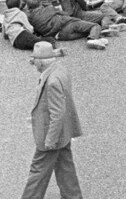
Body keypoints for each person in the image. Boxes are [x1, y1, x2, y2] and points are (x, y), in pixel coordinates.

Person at [22, 41, 84, 199]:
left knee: (37, 173)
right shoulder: (59, 69)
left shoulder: (52, 82)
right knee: (65, 167)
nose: (33, 63)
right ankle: (73, 196)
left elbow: (57, 113)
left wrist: (50, 140)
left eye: (34, 60)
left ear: (41, 62)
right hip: (64, 131)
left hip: (52, 133)